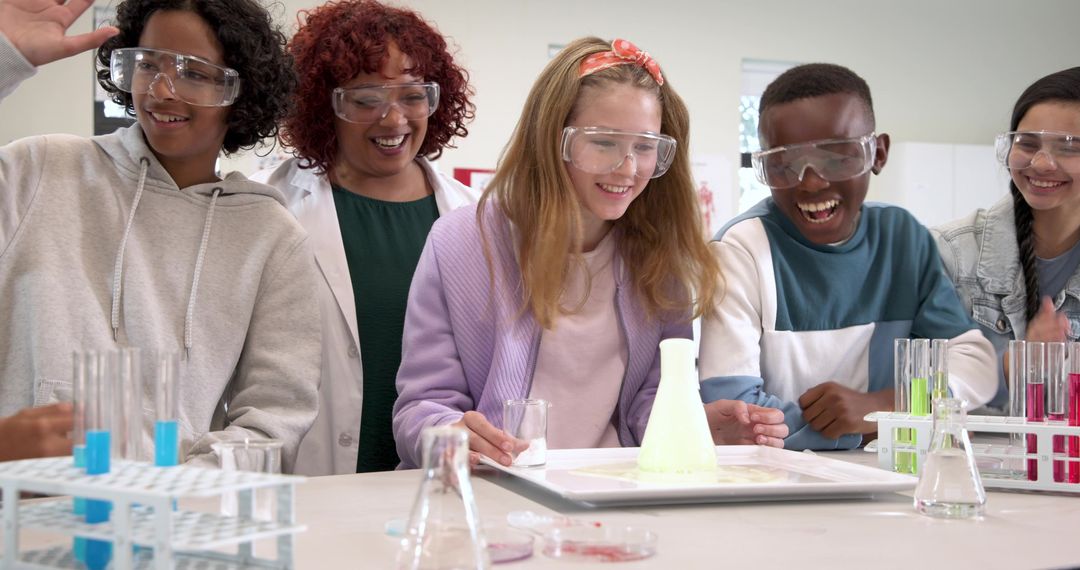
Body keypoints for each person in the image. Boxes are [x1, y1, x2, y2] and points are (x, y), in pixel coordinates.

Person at [392, 37, 788, 469]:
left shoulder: (659, 258)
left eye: (644, 145)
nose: (627, 168)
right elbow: (421, 408)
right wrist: (448, 435)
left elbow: (647, 407)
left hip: (613, 493)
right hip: (497, 494)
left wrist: (695, 426)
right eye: (603, 143)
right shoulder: (460, 243)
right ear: (552, 140)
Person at [0, 0, 320, 471]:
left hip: (172, 526)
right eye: (147, 64)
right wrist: (6, 58)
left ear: (240, 89)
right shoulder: (38, 171)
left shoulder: (269, 235)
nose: (161, 91)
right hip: (22, 511)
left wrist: (180, 494)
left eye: (193, 71)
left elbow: (275, 417)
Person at [698, 63, 997, 450]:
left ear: (878, 153)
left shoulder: (903, 239)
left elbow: (974, 362)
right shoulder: (740, 252)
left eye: (838, 156)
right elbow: (737, 413)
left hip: (889, 480)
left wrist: (883, 405)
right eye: (784, 165)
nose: (811, 182)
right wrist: (883, 424)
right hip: (775, 481)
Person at [253, 0, 478, 475]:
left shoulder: (473, 219)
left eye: (413, 96)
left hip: (434, 482)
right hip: (311, 481)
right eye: (366, 99)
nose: (393, 120)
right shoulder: (270, 207)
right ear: (323, 105)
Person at [933, 67, 1080, 410]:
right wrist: (1011, 366)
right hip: (965, 460)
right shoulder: (949, 252)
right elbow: (911, 389)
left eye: (1070, 147)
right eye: (1028, 144)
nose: (1042, 163)